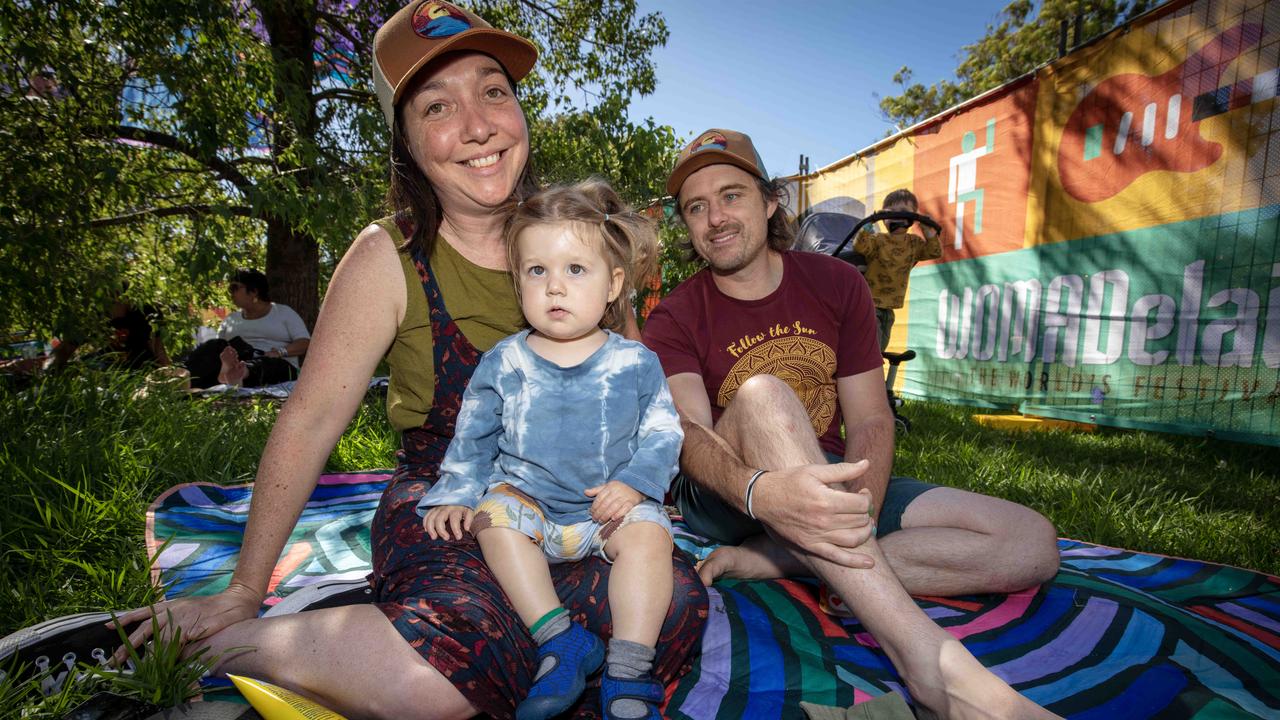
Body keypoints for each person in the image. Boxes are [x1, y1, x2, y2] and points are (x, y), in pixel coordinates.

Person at [76, 4, 705, 719]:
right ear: (406, 142)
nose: (477, 124)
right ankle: (232, 647)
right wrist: (244, 588)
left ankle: (459, 639)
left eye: (494, 91)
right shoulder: (388, 258)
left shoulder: (584, 243)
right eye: (439, 105)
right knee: (440, 676)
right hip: (450, 501)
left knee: (672, 610)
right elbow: (310, 420)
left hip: (573, 505)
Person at [643, 128, 1061, 719]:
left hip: (835, 475)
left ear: (770, 201)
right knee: (764, 396)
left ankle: (784, 560)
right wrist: (760, 491)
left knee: (1032, 544)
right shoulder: (676, 314)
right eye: (696, 206)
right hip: (732, 491)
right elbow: (689, 437)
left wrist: (855, 512)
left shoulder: (837, 283)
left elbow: (870, 417)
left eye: (732, 195)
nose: (715, 217)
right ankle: (935, 667)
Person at [420, 180, 680, 720]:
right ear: (519, 282)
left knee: (652, 537)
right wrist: (455, 492)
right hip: (530, 504)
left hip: (608, 513)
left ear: (613, 285)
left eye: (575, 270)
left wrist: (634, 484)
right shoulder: (504, 361)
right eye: (537, 271)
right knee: (493, 519)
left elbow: (663, 432)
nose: (554, 287)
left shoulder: (634, 363)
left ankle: (629, 670)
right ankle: (558, 639)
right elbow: (473, 435)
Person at [185, 270, 311, 388]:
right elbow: (220, 353)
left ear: (254, 291)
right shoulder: (230, 319)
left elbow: (305, 343)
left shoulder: (283, 313)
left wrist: (280, 352)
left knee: (270, 364)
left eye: (234, 288)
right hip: (239, 359)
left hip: (275, 363)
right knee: (214, 345)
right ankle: (183, 376)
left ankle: (239, 373)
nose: (231, 293)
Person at [853, 189, 943, 352]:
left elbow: (934, 252)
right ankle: (870, 368)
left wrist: (928, 232)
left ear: (913, 217)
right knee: (872, 349)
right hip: (871, 303)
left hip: (890, 306)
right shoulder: (878, 240)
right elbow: (859, 246)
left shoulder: (914, 243)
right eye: (891, 213)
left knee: (881, 347)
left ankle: (873, 365)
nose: (897, 217)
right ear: (884, 218)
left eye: (903, 213)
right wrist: (865, 229)